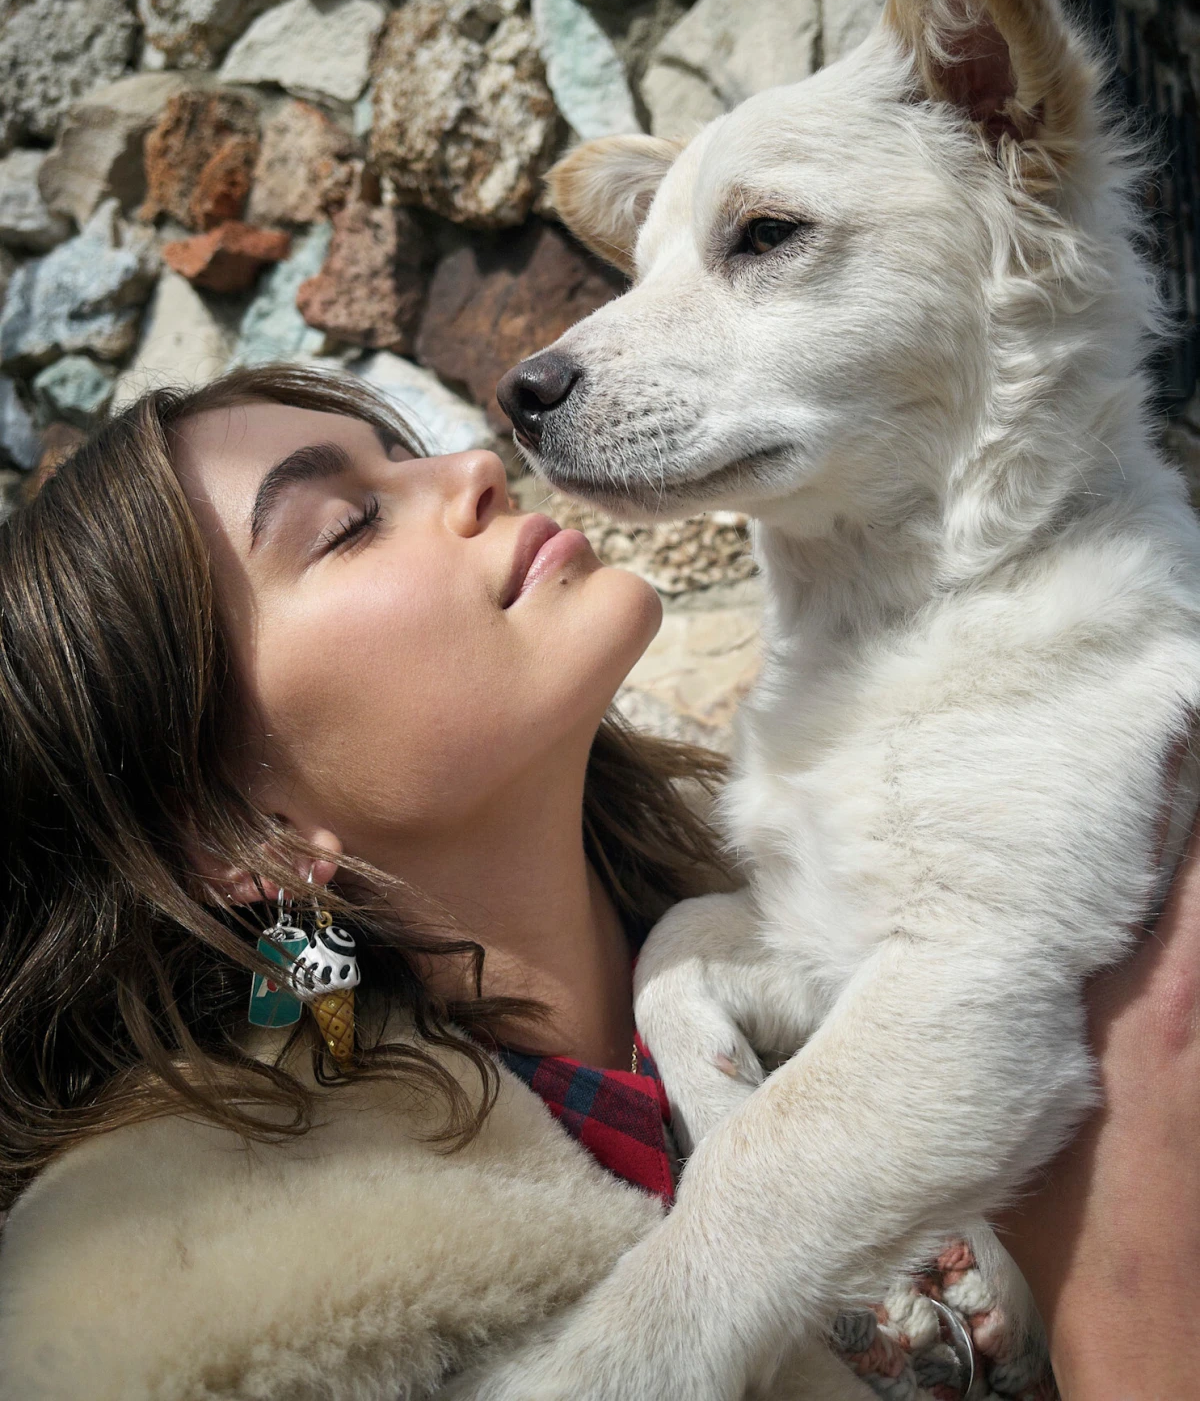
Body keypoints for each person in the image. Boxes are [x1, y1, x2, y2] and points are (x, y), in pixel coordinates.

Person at [0, 362, 1194, 1400]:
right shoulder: (222, 1323)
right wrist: (1132, 1314)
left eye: (410, 455)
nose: (474, 465)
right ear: (238, 834)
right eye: (349, 521)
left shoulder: (880, 893)